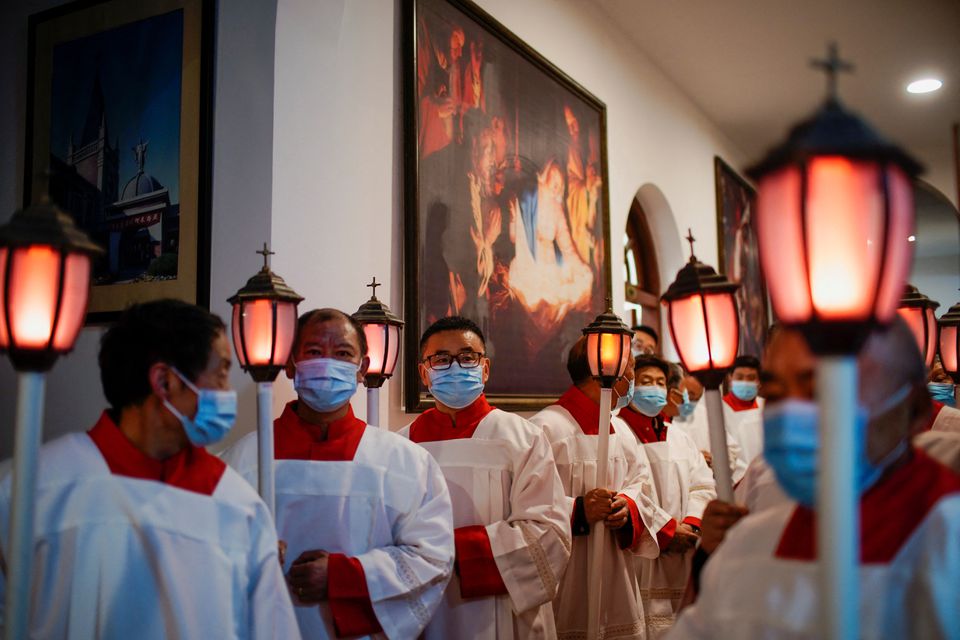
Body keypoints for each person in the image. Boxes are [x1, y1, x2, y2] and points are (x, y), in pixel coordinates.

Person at [0, 299, 299, 639]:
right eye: (221, 374)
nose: (227, 392)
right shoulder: (32, 488)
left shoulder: (238, 507)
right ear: (165, 381)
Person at [671, 320, 960, 638]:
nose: (791, 415)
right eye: (776, 394)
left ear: (912, 407)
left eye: (819, 392)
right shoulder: (749, 544)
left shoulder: (946, 543)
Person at [223, 309, 454, 639]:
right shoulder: (243, 460)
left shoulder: (405, 463)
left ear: (362, 367)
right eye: (314, 352)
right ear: (290, 364)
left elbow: (432, 558)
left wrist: (343, 577)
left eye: (343, 353)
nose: (327, 364)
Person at [398, 316, 571, 639]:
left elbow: (548, 530)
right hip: (427, 604)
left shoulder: (522, 438)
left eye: (467, 357)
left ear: (485, 368)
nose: (455, 367)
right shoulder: (400, 447)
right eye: (441, 359)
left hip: (503, 608)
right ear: (424, 373)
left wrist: (457, 552)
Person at [530, 338, 674, 640]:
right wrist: (579, 509)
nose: (632, 378)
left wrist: (628, 506)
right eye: (631, 369)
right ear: (605, 373)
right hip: (567, 574)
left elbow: (640, 483)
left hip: (616, 571)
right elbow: (528, 503)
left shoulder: (620, 429)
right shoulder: (544, 429)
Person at [618, 356, 716, 638]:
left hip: (684, 551)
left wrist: (692, 524)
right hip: (642, 553)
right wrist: (666, 531)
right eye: (646, 381)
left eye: (660, 382)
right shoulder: (616, 433)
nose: (654, 388)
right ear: (631, 386)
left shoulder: (678, 436)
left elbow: (703, 485)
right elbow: (625, 493)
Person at [672, 370, 748, 483]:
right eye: (689, 395)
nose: (691, 403)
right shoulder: (662, 418)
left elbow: (730, 449)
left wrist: (714, 461)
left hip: (707, 483)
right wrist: (697, 459)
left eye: (696, 399)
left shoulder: (704, 414)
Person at [723, 355, 763, 466]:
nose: (745, 382)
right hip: (733, 475)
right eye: (739, 377)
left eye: (751, 378)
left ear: (759, 381)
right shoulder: (719, 410)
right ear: (730, 378)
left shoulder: (766, 407)